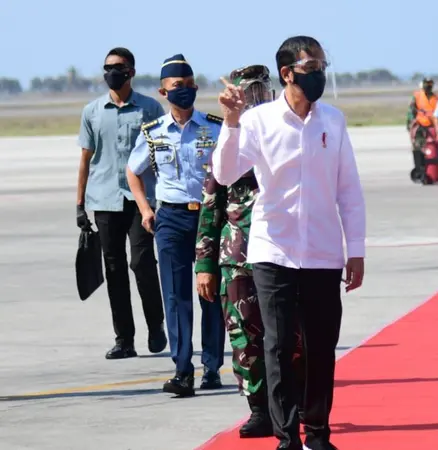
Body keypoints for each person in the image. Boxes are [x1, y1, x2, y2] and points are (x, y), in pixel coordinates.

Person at [214, 35, 366, 450]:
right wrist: (230, 123)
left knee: (320, 348)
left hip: (322, 253)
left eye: (321, 66)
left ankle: (318, 434)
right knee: (278, 347)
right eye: (311, 68)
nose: (319, 74)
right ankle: (287, 438)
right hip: (272, 251)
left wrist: (356, 250)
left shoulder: (332, 121)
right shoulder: (258, 121)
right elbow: (226, 174)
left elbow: (348, 190)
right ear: (287, 73)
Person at [195, 64, 305, 438]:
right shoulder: (228, 142)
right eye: (248, 94)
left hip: (285, 250)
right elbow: (211, 207)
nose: (256, 100)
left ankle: (294, 404)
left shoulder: (288, 134)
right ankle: (259, 408)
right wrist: (204, 265)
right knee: (245, 335)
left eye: (261, 92)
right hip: (238, 255)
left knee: (292, 333)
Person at [126, 54, 226, 397]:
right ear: (163, 92)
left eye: (188, 86)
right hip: (170, 218)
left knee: (210, 292)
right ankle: (183, 369)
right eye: (175, 87)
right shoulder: (153, 134)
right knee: (176, 294)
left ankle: (212, 365)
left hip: (208, 217)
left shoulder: (215, 127)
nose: (183, 92)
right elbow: (133, 170)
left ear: (196, 88)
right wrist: (144, 209)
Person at [75, 47, 167, 360]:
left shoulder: (150, 108)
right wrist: (79, 204)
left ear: (131, 71)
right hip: (104, 199)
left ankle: (156, 325)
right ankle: (124, 339)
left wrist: (162, 199)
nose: (111, 72)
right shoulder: (92, 111)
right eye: (107, 68)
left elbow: (163, 157)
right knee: (113, 269)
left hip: (141, 200)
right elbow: (85, 160)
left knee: (142, 263)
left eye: (118, 67)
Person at [407, 77, 438, 182]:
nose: (428, 86)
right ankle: (420, 169)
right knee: (418, 147)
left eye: (430, 84)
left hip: (434, 126)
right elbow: (411, 111)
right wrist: (410, 125)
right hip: (421, 126)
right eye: (426, 83)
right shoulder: (417, 96)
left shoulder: (437, 98)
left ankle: (437, 170)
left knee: (435, 149)